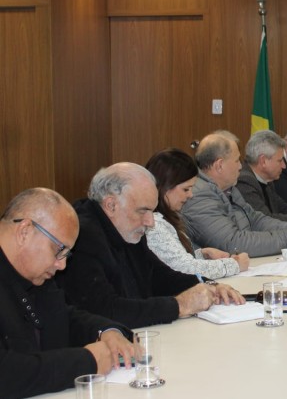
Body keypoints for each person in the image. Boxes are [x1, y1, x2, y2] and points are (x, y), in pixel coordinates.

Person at [57, 163, 244, 328]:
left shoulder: (127, 228)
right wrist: (179, 306)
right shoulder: (82, 238)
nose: (150, 222)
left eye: (152, 211)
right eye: (143, 211)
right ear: (111, 205)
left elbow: (158, 275)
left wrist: (208, 285)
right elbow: (106, 311)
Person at [0, 188, 135, 398]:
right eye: (58, 250)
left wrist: (106, 331)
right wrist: (86, 362)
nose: (61, 265)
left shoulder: (34, 273)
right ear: (24, 231)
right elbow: (6, 374)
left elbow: (62, 317)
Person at [182, 132, 287, 257]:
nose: (240, 166)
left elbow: (255, 219)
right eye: (237, 160)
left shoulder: (229, 187)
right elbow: (233, 243)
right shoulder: (197, 196)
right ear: (219, 165)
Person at [145, 148, 249, 279]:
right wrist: (234, 265)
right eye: (186, 189)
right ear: (166, 186)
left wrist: (202, 254)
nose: (190, 195)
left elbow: (171, 259)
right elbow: (185, 269)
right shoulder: (155, 224)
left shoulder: (166, 217)